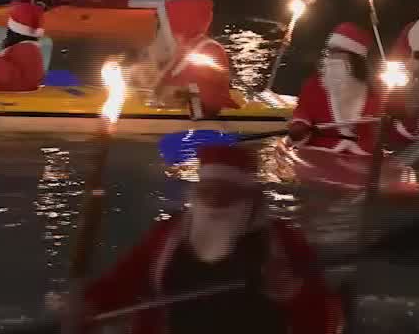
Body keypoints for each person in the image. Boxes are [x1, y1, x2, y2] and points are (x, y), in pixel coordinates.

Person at [82, 143, 341, 334]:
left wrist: (295, 293)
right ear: (196, 195)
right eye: (207, 192)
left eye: (227, 193)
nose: (215, 202)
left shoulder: (282, 243)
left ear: (249, 198)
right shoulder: (168, 234)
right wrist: (89, 304)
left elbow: (320, 314)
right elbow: (125, 280)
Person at [289, 22, 419, 155]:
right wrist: (300, 125)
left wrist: (405, 116)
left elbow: (399, 137)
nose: (328, 58)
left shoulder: (378, 91)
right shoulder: (314, 85)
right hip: (319, 153)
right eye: (328, 51)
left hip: (364, 159)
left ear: (354, 59)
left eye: (336, 52)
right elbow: (302, 111)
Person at [140, 0, 240, 117]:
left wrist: (165, 93)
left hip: (203, 118)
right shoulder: (183, 49)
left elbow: (198, 89)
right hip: (182, 112)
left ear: (183, 22)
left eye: (169, 23)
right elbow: (163, 82)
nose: (164, 29)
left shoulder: (210, 49)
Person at [0, 3, 47, 92]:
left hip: (5, 98)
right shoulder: (27, 49)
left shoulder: (26, 50)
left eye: (8, 30)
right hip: (9, 94)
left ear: (14, 32)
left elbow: (8, 75)